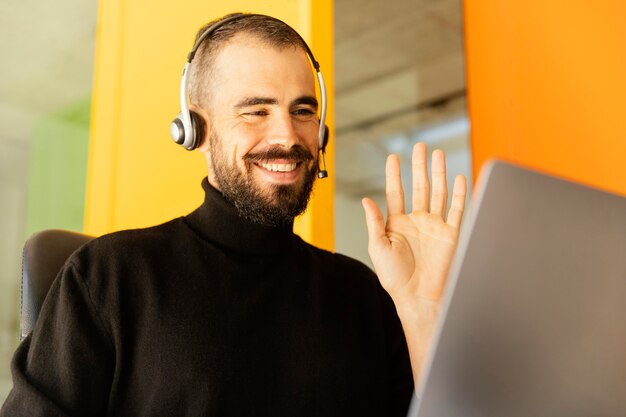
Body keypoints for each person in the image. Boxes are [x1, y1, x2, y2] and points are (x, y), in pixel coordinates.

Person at [1, 13, 466, 417]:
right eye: (256, 111)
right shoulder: (108, 276)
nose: (287, 135)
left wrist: (421, 312)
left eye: (302, 110)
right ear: (195, 129)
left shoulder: (364, 293)